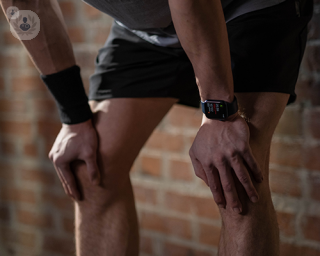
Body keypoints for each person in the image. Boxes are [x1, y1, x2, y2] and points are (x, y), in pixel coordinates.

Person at [0, 0, 313, 255]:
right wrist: (74, 117)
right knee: (91, 165)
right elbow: (27, 6)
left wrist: (219, 114)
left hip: (247, 7)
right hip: (149, 30)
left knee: (235, 175)